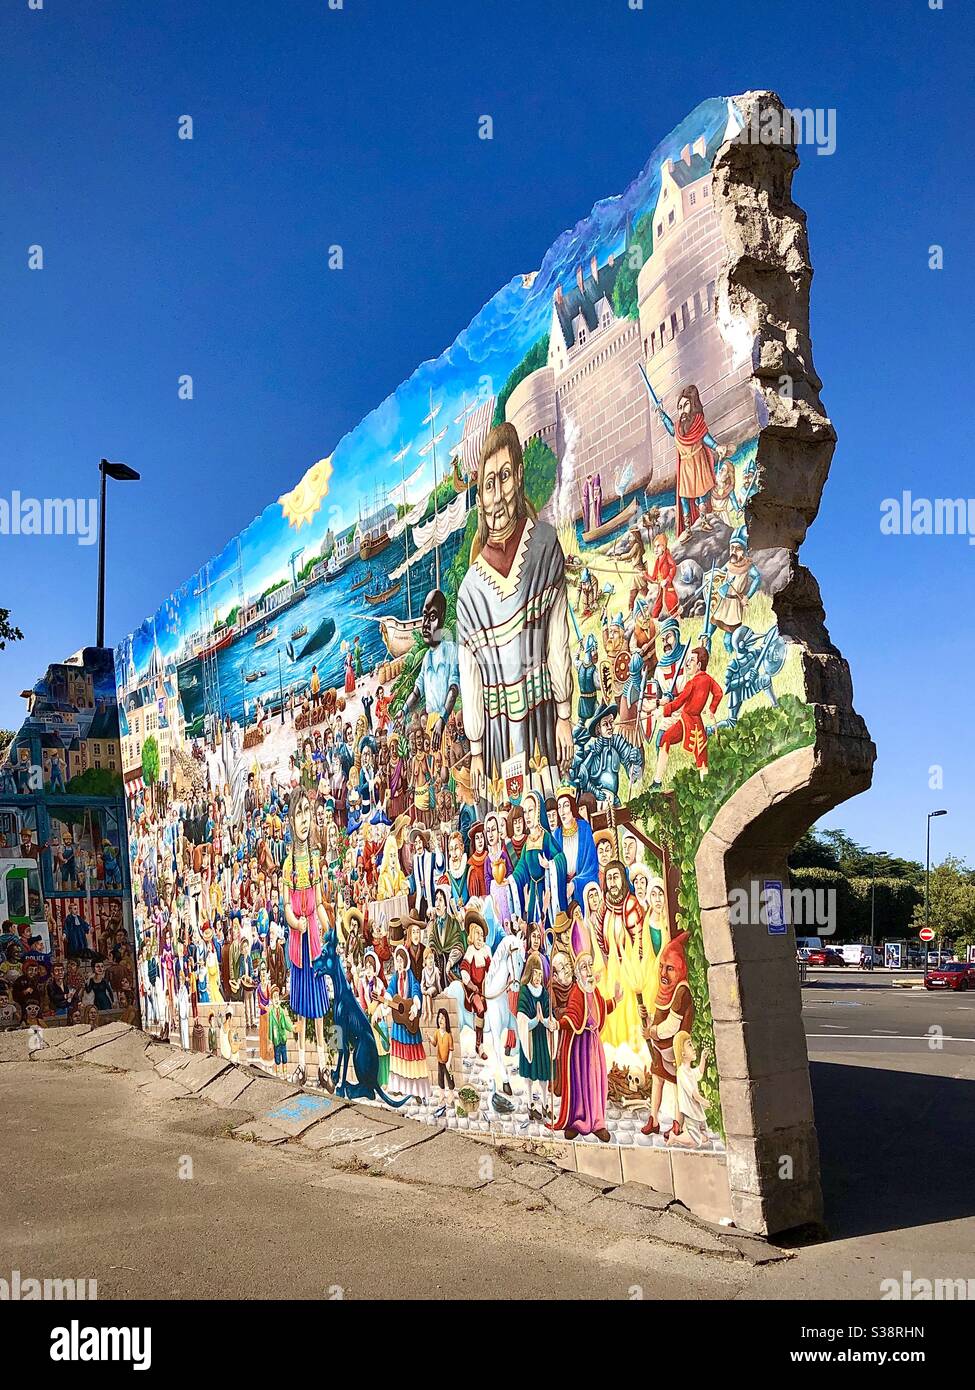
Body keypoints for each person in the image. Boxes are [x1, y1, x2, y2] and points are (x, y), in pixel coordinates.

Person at [457, 423, 574, 799]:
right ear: (480, 497)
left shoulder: (543, 545)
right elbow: (471, 679)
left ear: (519, 475)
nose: (497, 495)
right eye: (488, 484)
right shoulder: (469, 591)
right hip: (495, 739)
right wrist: (475, 752)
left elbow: (558, 641)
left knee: (553, 815)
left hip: (542, 721)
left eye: (504, 477)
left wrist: (565, 715)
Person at [282, 786, 331, 1089]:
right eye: (298, 813)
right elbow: (286, 905)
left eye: (307, 813)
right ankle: (301, 1064)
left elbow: (321, 902)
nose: (303, 820)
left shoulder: (314, 862)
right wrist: (294, 922)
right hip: (299, 942)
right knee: (301, 1010)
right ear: (291, 820)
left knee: (319, 1013)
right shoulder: (288, 865)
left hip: (313, 938)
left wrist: (329, 929)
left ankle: (323, 1065)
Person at [550, 953, 620, 1142]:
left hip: (593, 1043)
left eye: (590, 965)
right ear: (578, 973)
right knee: (580, 1082)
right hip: (579, 1047)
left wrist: (615, 1000)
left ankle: (598, 1123)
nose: (589, 971)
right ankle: (578, 1121)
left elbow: (601, 1007)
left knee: (596, 1082)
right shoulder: (576, 992)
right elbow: (572, 1015)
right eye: (584, 967)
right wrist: (558, 1024)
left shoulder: (593, 991)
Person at [641, 932, 695, 1138]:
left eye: (670, 968)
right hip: (660, 1049)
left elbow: (672, 1025)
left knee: (677, 1086)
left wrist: (652, 1031)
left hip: (674, 1050)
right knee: (657, 1080)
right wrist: (647, 1018)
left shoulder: (681, 991)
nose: (664, 972)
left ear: (680, 969)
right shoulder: (664, 988)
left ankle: (677, 1125)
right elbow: (659, 1017)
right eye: (662, 966)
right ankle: (653, 1119)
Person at [653, 383, 724, 534]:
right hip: (685, 467)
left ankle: (703, 521)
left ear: (692, 405)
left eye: (686, 405)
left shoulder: (698, 424)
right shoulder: (678, 427)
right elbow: (669, 427)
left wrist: (717, 447)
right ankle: (688, 529)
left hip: (698, 463)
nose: (682, 410)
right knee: (684, 497)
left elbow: (706, 439)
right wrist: (661, 413)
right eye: (679, 407)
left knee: (702, 494)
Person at [403, 589, 460, 752]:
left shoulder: (451, 650)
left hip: (445, 722)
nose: (426, 623)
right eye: (424, 616)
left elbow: (453, 689)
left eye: (433, 617)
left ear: (441, 619)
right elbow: (417, 691)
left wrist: (443, 718)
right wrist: (403, 710)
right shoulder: (427, 657)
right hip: (430, 725)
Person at [516, 951, 553, 1116]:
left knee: (544, 1075)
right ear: (530, 973)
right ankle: (530, 1105)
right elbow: (521, 1019)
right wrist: (534, 1021)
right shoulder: (525, 991)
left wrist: (544, 1021)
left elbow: (548, 1014)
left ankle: (546, 1104)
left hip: (541, 1038)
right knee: (530, 1075)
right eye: (535, 974)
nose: (538, 978)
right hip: (530, 1039)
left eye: (540, 974)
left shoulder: (544, 992)